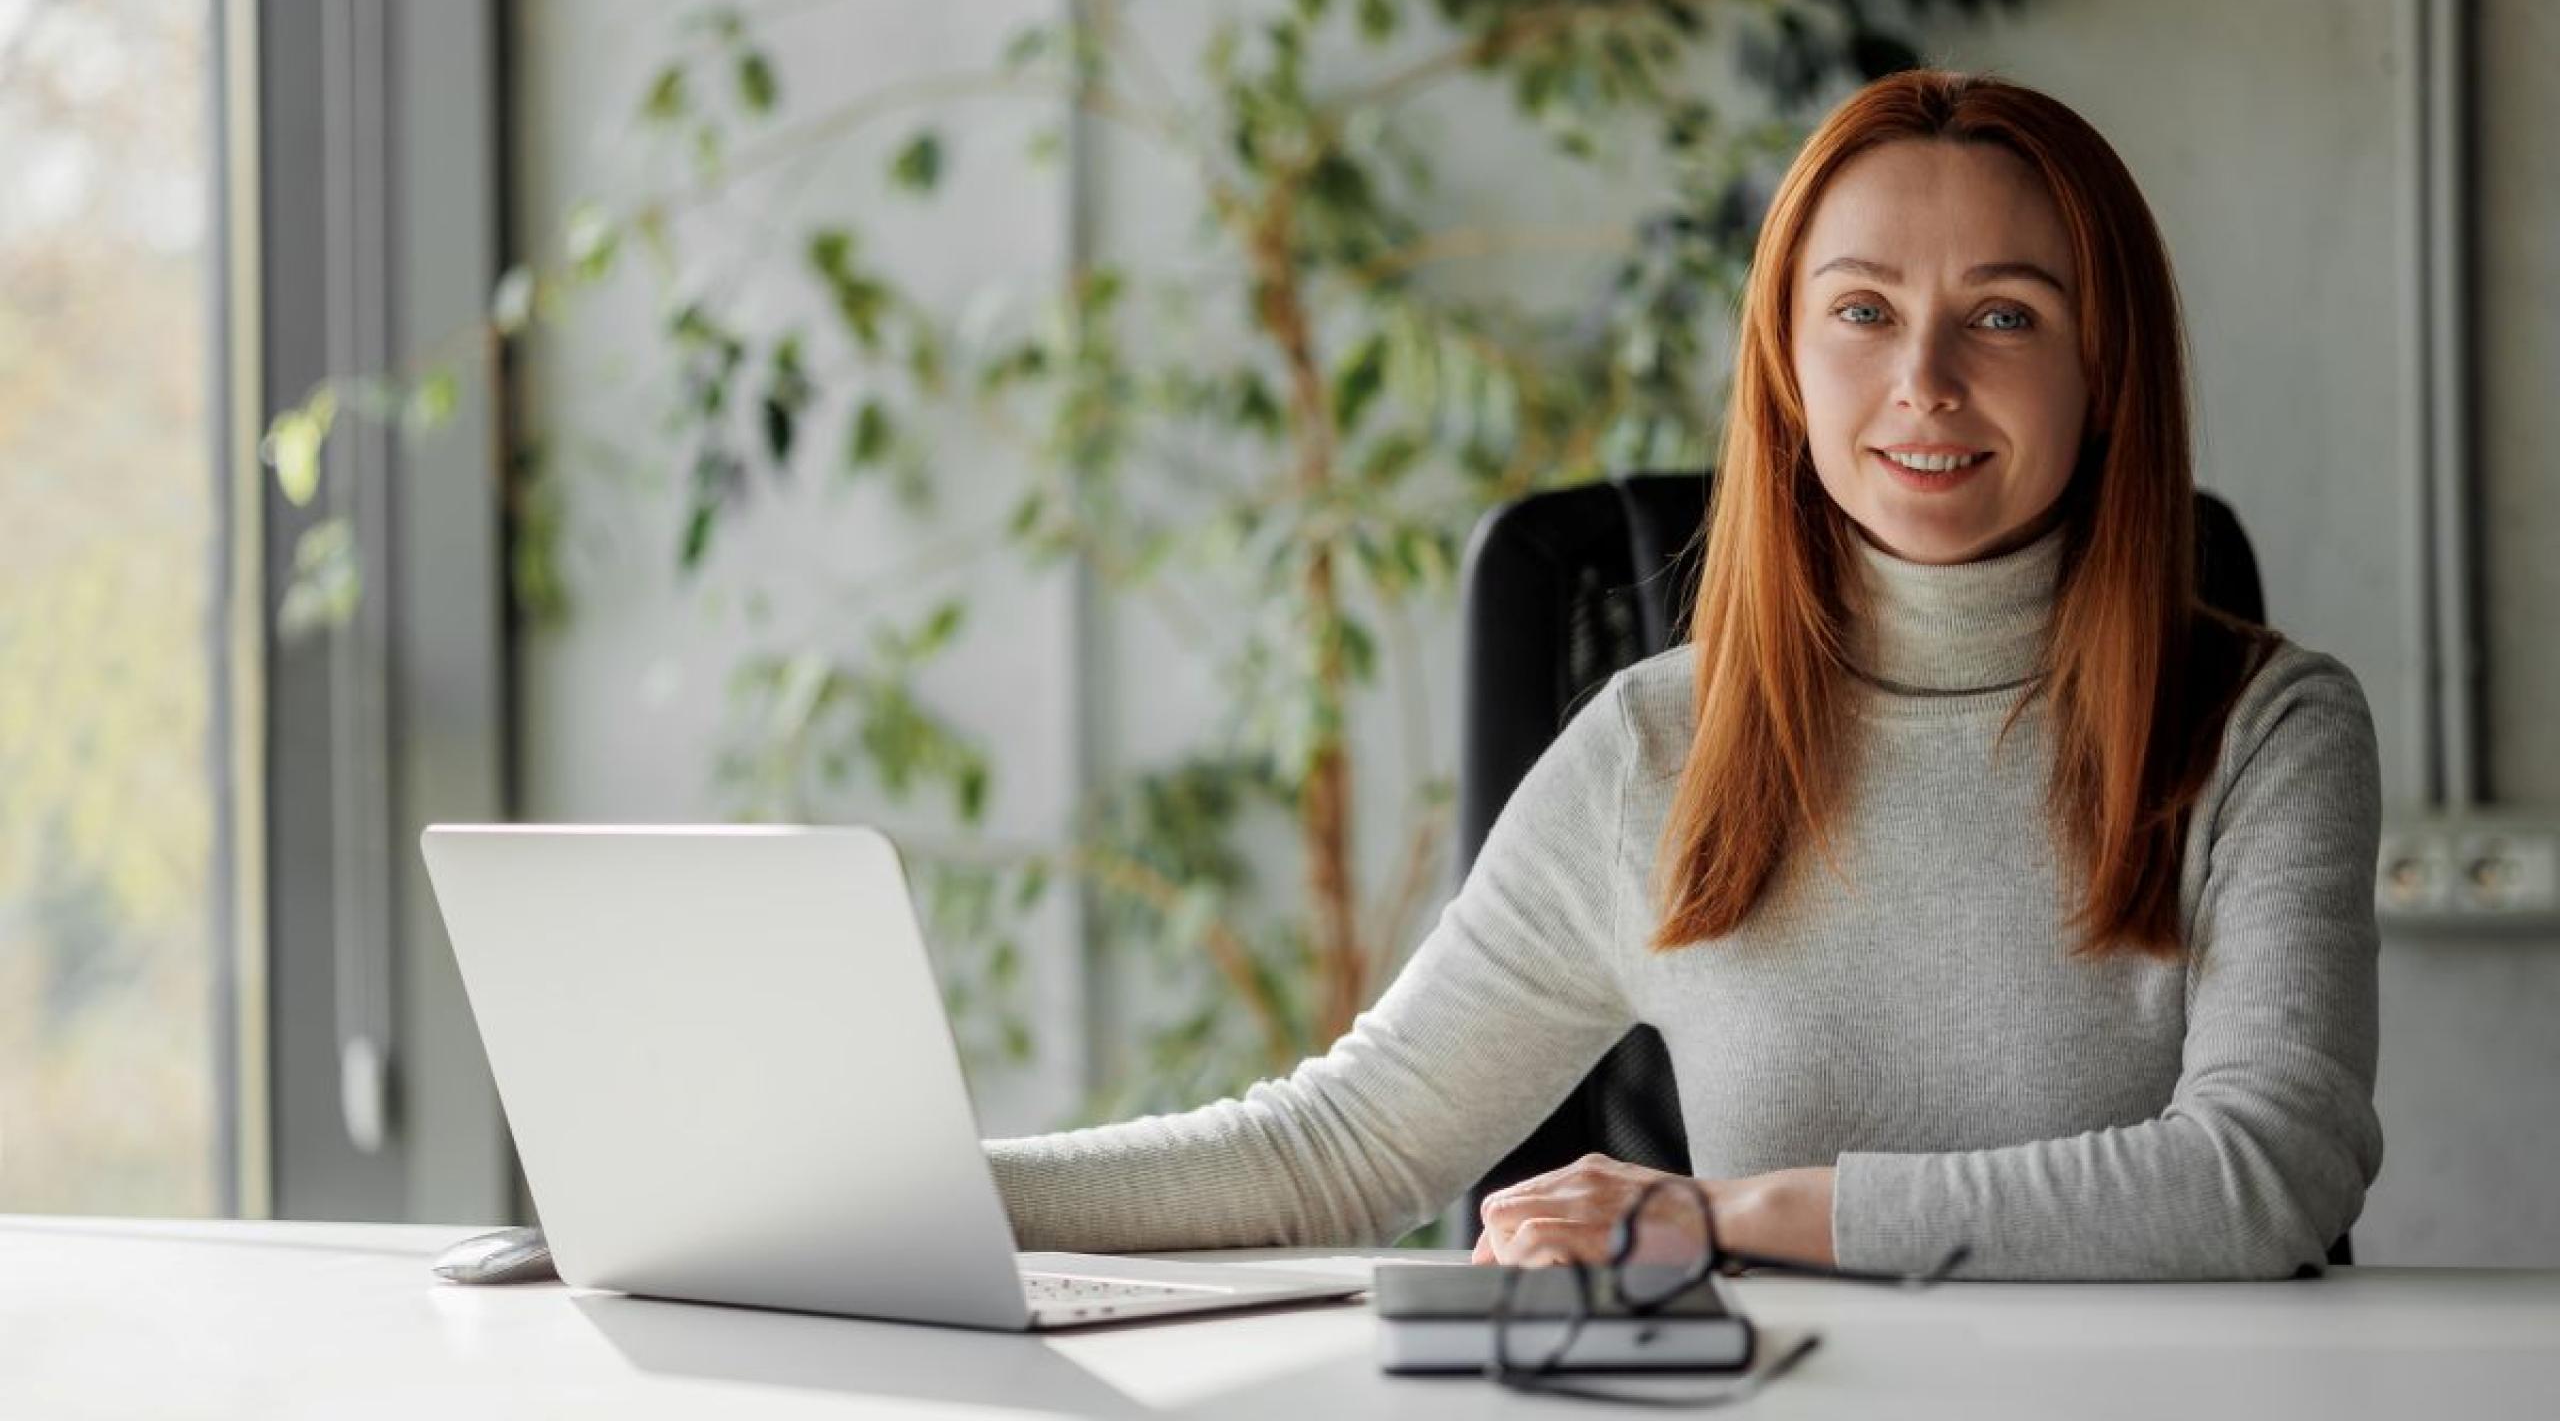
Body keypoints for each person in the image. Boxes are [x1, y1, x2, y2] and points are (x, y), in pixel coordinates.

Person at [984, 70, 2384, 1282]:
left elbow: (2268, 1175)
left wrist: (1739, 1217)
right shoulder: (1660, 747)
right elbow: (1338, 1149)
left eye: (2006, 316)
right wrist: (927, 1191)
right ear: (1784, 359)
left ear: (2106, 364)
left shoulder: (2267, 730)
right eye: (1861, 311)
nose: (1926, 380)